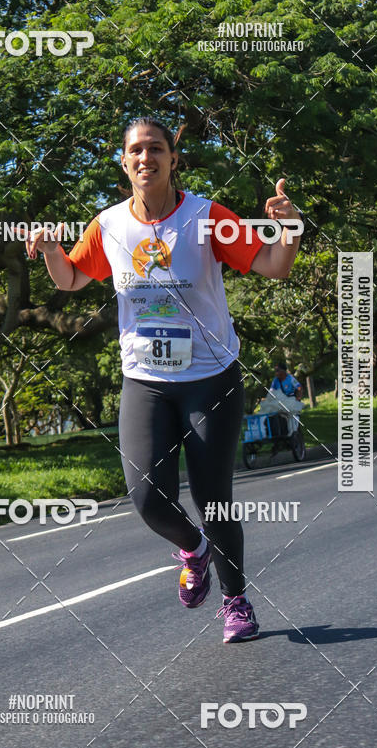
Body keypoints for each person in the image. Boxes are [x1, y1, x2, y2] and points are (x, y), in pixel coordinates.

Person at [24, 117, 302, 642]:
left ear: (174, 159)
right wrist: (52, 252)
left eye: (157, 148)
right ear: (124, 163)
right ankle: (194, 548)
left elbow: (272, 265)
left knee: (212, 495)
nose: (146, 157)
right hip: (145, 381)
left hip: (210, 379)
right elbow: (71, 279)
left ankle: (236, 601)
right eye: (136, 150)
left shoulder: (205, 217)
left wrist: (289, 228)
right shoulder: (107, 225)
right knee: (147, 495)